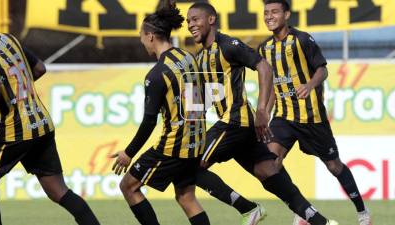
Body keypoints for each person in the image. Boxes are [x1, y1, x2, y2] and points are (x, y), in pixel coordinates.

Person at [187, 2, 338, 225]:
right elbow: (206, 97)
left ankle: (248, 209)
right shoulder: (201, 57)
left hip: (235, 121)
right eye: (188, 21)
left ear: (211, 20)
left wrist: (262, 110)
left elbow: (264, 67)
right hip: (237, 125)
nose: (191, 25)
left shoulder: (229, 45)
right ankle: (321, 222)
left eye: (195, 19)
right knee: (267, 171)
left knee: (188, 165)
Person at [257, 1, 371, 225]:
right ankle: (304, 212)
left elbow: (323, 69)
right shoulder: (264, 49)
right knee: (270, 165)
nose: (269, 16)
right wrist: (265, 115)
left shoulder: (302, 40)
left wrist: (309, 85)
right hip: (283, 117)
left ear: (287, 14)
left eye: (274, 12)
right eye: (266, 13)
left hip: (312, 118)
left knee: (334, 165)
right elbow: (271, 87)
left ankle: (362, 211)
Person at [111, 1, 210, 225]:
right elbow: (199, 102)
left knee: (128, 186)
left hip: (172, 146)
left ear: (151, 37)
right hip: (194, 143)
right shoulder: (188, 58)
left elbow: (149, 122)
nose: (141, 40)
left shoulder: (156, 74)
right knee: (186, 197)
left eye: (141, 36)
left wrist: (129, 153)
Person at [0, 33, 100, 224]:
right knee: (59, 191)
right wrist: (20, 92)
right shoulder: (8, 39)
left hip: (15, 129)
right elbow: (40, 68)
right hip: (41, 123)